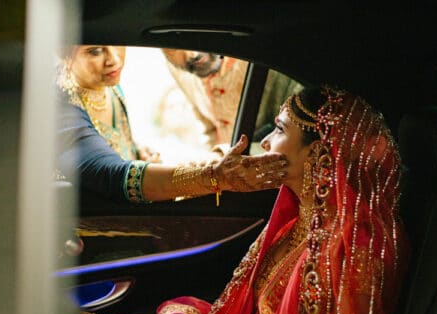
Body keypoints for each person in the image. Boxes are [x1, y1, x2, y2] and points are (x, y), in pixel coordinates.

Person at [83, 85, 408, 314]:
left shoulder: (359, 248)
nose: (265, 143)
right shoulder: (293, 226)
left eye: (279, 130)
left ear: (319, 150)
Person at [56, 45, 289, 204]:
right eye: (95, 52)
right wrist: (213, 176)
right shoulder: (54, 105)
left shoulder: (107, 85)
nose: (114, 59)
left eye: (117, 43)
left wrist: (135, 150)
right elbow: (111, 175)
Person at [161, 49, 302, 153]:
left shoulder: (268, 54)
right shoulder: (178, 71)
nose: (192, 54)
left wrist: (225, 156)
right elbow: (208, 129)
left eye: (192, 34)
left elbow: (296, 139)